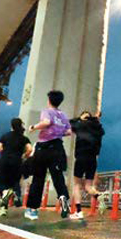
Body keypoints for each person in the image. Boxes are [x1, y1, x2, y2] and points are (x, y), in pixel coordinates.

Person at [25, 90, 72, 220]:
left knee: (38, 178)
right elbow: (69, 132)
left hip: (44, 148)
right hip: (58, 148)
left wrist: (33, 127)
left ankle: (33, 210)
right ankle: (64, 201)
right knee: (58, 178)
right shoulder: (63, 115)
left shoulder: (47, 111)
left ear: (49, 100)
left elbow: (46, 122)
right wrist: (58, 133)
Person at [0, 118, 34, 217]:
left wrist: (6, 149)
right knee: (13, 182)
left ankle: (3, 206)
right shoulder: (24, 138)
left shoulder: (5, 136)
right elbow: (30, 149)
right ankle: (12, 196)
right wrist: (23, 155)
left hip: (4, 161)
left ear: (11, 126)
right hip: (17, 162)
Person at [69, 111, 105, 219]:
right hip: (92, 159)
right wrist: (94, 119)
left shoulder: (80, 125)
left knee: (76, 184)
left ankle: (79, 212)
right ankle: (98, 196)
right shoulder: (97, 128)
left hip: (81, 157)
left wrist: (80, 119)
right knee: (88, 186)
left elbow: (70, 122)